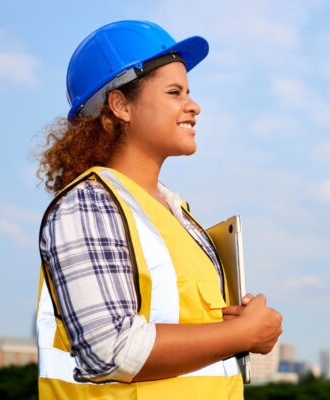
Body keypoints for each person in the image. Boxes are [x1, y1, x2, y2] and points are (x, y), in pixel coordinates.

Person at [36, 20, 283, 399]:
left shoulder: (178, 217)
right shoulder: (89, 204)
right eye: (174, 92)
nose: (193, 105)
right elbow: (109, 351)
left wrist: (240, 325)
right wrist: (242, 333)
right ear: (121, 105)